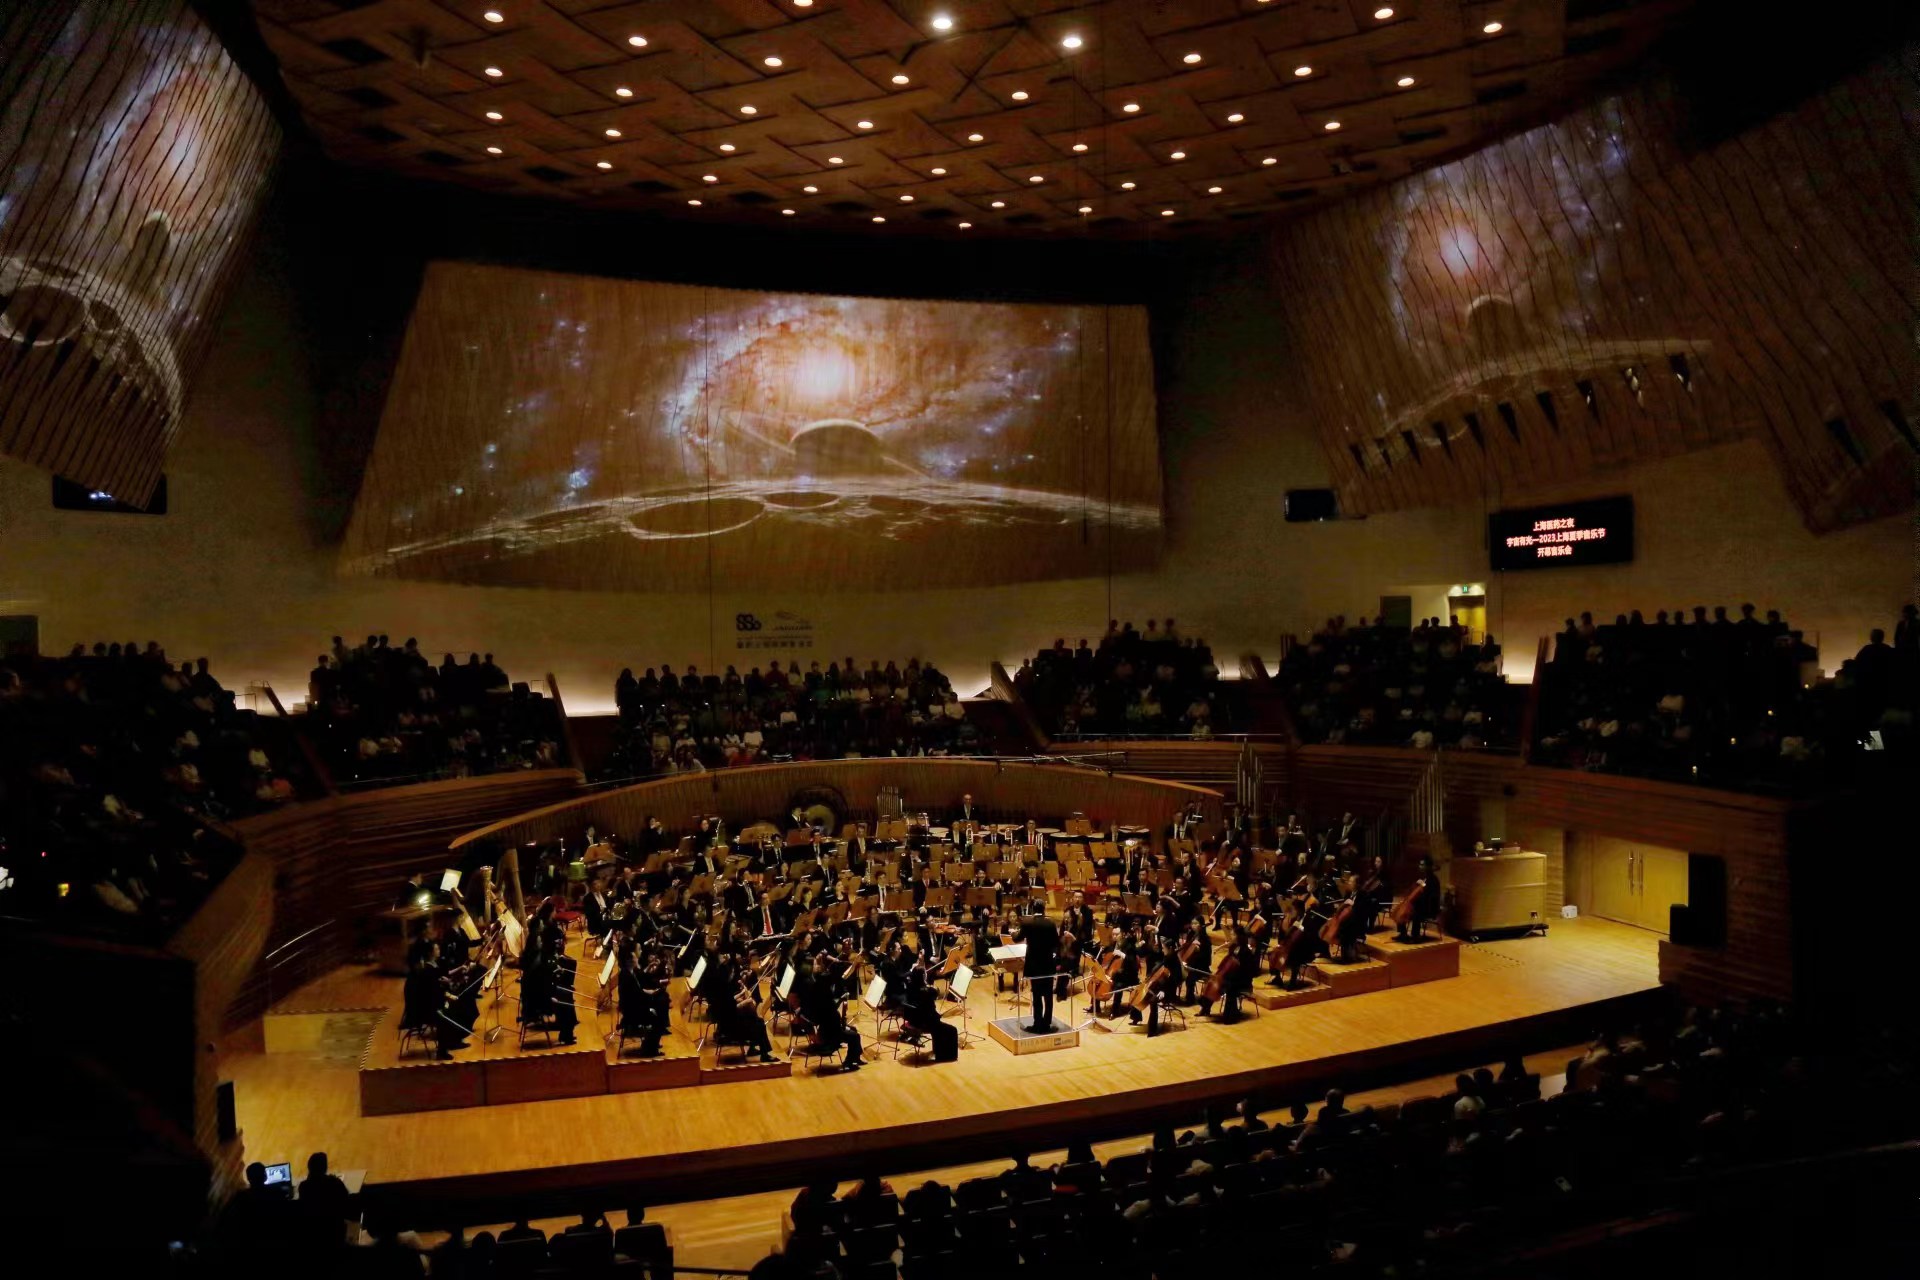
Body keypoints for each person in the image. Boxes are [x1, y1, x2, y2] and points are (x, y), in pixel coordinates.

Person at [1021, 912, 1060, 1032]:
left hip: (1034, 965)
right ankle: (1047, 1023)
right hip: (1048, 964)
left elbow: (1018, 938)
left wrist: (1013, 934)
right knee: (1048, 995)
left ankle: (1037, 1024)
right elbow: (1056, 942)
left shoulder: (1028, 923)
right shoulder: (1050, 923)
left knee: (1037, 995)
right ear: (1043, 910)